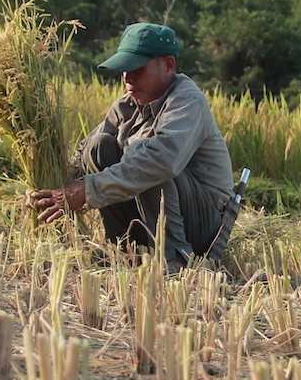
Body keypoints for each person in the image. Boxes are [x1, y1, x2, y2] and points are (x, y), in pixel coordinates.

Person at [27, 22, 234, 270]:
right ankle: (125, 248)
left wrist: (86, 190)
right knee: (98, 145)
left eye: (136, 68)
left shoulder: (187, 101)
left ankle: (175, 257)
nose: (127, 77)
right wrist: (52, 189)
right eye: (123, 69)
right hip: (150, 215)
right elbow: (84, 155)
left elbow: (160, 161)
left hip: (200, 224)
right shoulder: (126, 106)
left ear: (168, 66)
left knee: (145, 156)